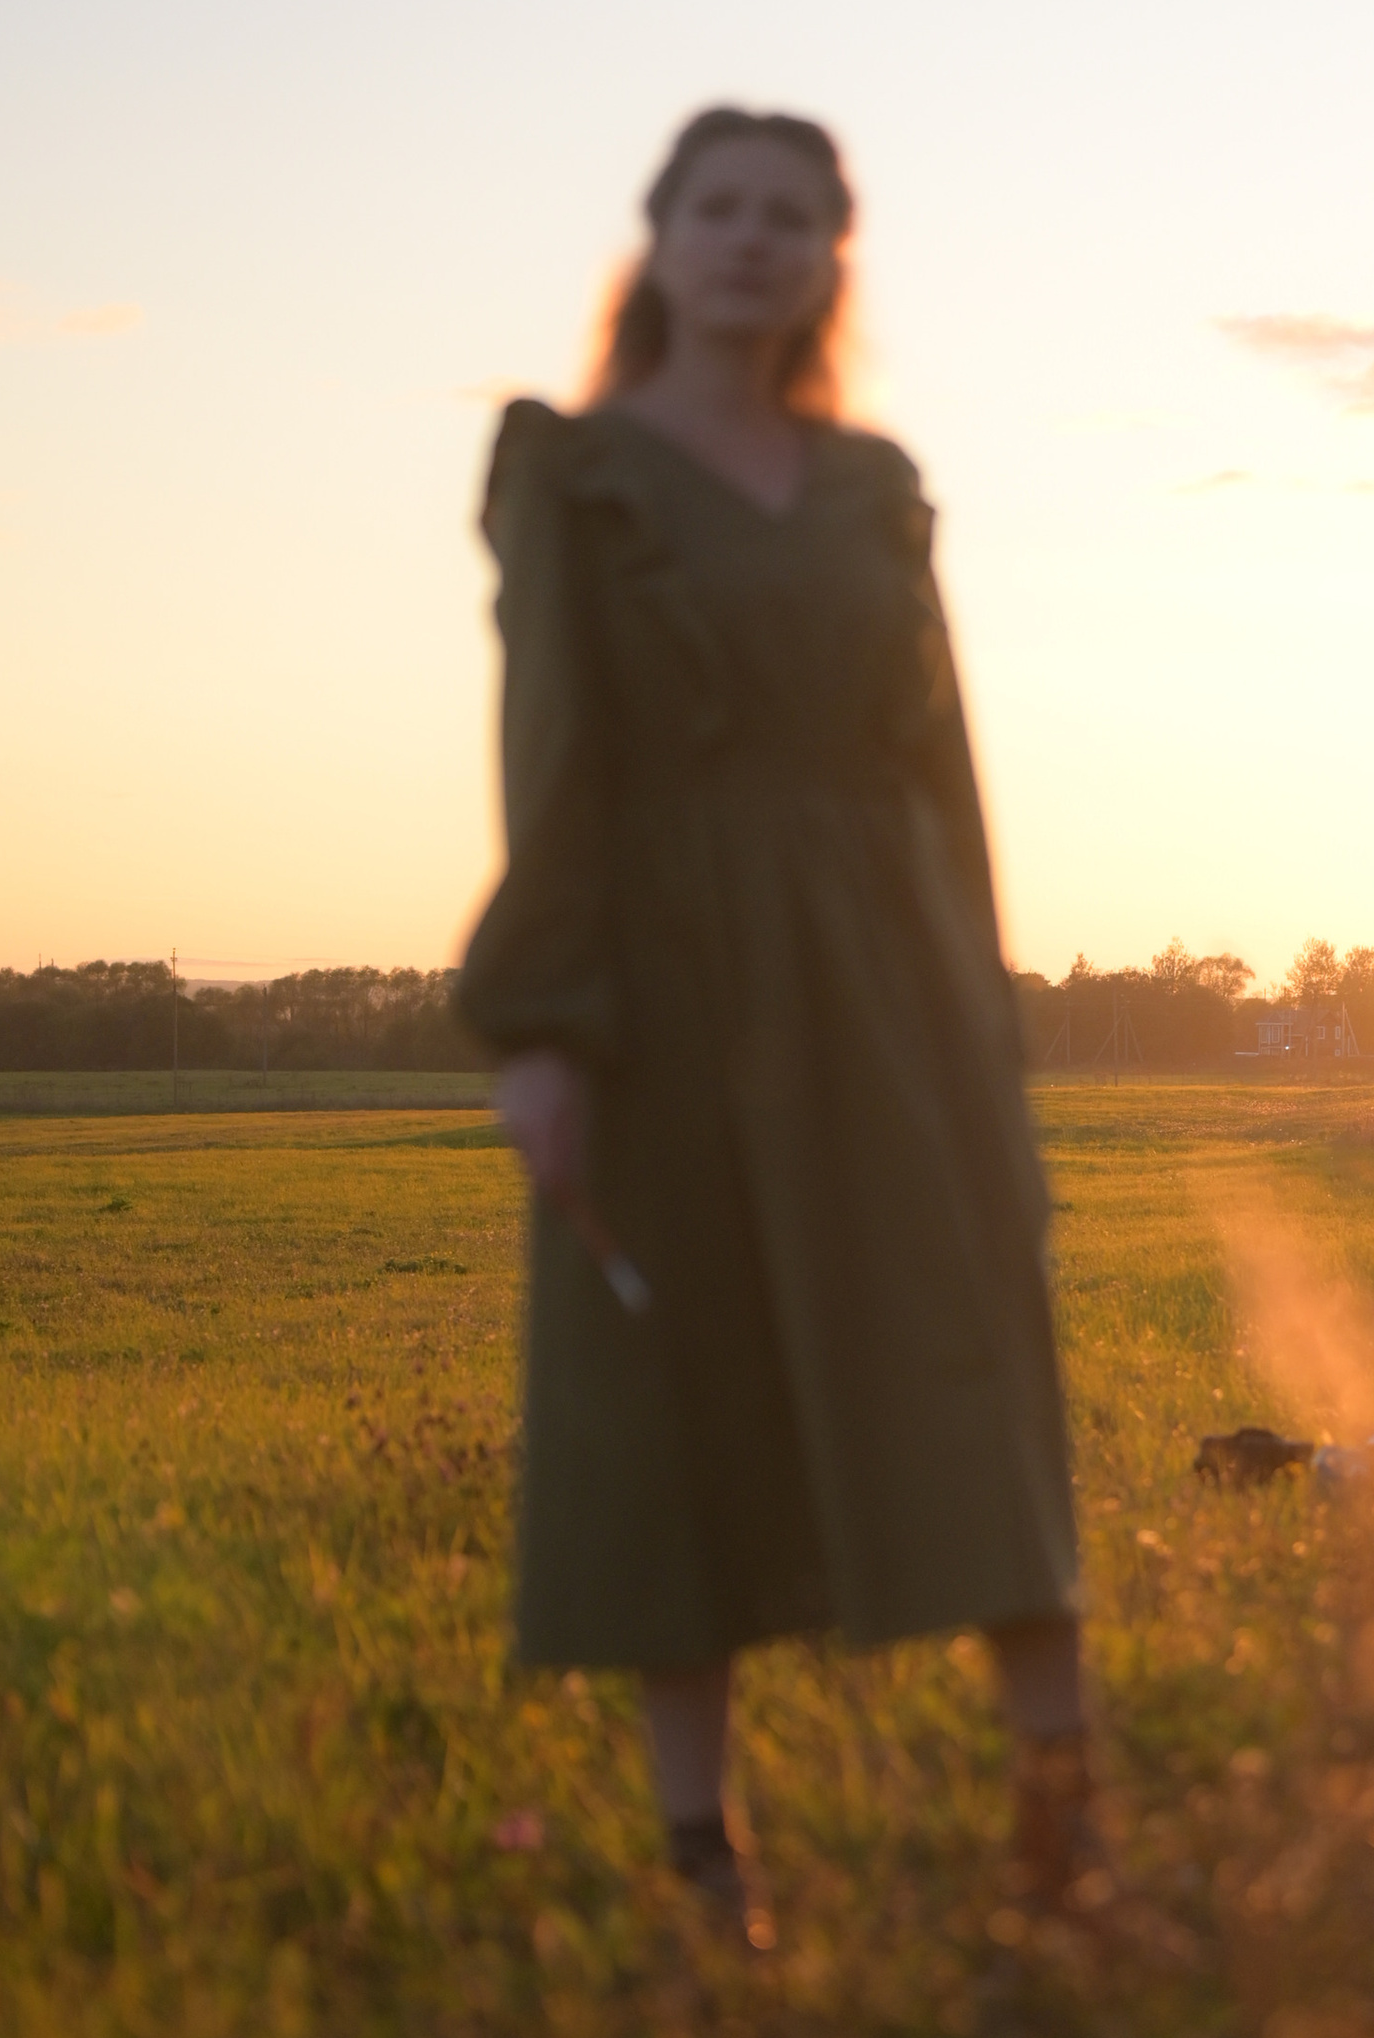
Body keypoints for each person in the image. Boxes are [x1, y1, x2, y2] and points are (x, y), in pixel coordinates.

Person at [456, 107, 1093, 1942]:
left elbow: (942, 775)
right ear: (659, 237)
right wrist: (545, 1033)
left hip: (890, 977)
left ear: (831, 259)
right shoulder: (575, 470)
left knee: (967, 1351)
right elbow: (552, 756)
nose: (753, 239)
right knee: (677, 1386)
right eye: (721, 208)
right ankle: (705, 1864)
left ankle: (1064, 1832)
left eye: (792, 217)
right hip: (662, 984)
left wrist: (980, 1018)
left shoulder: (873, 484)